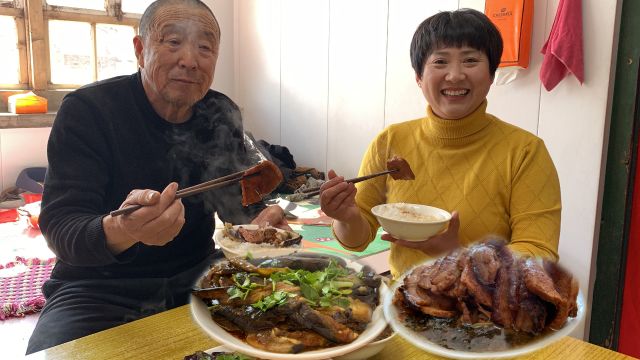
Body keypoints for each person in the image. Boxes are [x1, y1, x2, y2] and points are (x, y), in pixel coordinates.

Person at [26, 0, 287, 354]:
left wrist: (263, 225)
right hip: (96, 287)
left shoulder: (221, 112)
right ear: (140, 49)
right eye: (173, 42)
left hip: (200, 277)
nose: (190, 60)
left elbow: (238, 210)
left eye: (205, 47)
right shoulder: (89, 111)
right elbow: (60, 229)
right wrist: (125, 229)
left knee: (291, 328)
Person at [319, 8, 561, 279]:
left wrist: (461, 256)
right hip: (403, 302)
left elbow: (539, 252)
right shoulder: (391, 141)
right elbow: (357, 240)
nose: (455, 75)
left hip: (484, 311)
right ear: (419, 77)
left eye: (470, 60)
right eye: (440, 62)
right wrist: (346, 217)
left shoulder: (525, 152)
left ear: (491, 74)